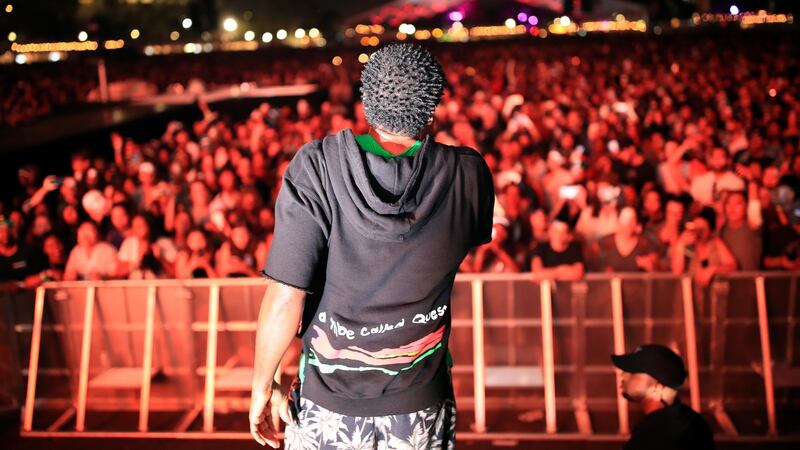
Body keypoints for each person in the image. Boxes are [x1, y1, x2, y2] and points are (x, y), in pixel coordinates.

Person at [249, 43, 494, 449]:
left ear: (365, 101)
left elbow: (285, 294)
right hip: (420, 404)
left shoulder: (317, 166)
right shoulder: (467, 174)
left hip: (327, 403)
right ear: (432, 109)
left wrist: (263, 384)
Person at [611, 344, 715, 450]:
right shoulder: (693, 421)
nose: (623, 374)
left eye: (633, 372)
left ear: (658, 387)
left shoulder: (656, 438)